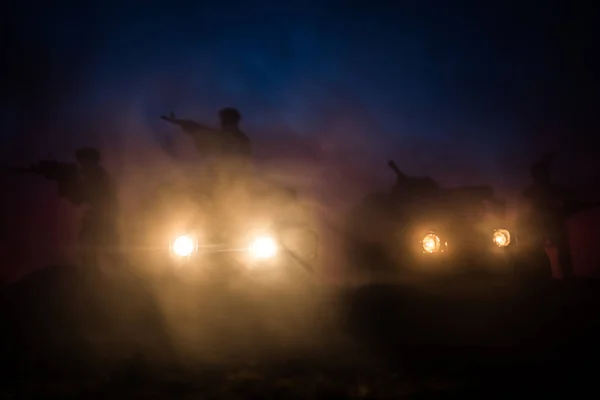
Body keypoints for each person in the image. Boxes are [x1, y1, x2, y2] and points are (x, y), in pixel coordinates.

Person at [521, 153, 574, 279]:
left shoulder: (547, 190)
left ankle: (564, 278)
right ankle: (548, 278)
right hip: (541, 227)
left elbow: (568, 204)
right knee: (540, 253)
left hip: (551, 226)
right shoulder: (531, 192)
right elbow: (526, 212)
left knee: (561, 251)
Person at [70, 147, 118, 271]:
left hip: (100, 219)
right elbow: (78, 199)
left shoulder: (97, 176)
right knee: (90, 250)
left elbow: (79, 198)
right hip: (101, 218)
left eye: (84, 162)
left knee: (89, 249)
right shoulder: (96, 175)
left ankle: (94, 278)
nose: (82, 166)